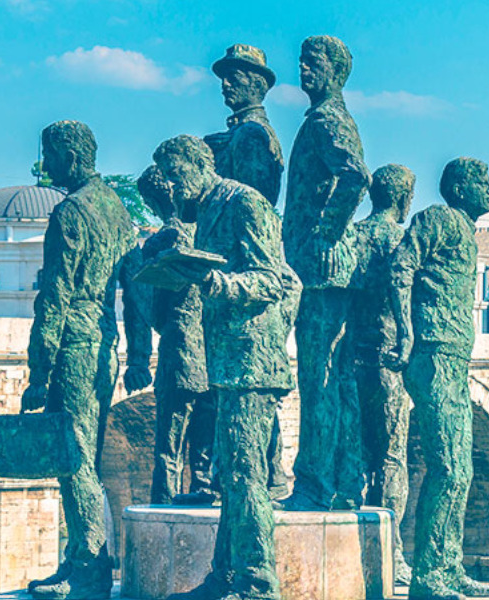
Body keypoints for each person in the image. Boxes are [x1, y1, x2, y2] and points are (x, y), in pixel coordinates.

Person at [156, 135, 301, 600]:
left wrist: (214, 283)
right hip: (226, 360)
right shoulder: (207, 212)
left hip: (252, 361)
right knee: (230, 474)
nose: (173, 188)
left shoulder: (245, 203)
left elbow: (273, 279)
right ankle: (224, 574)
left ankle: (258, 583)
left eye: (177, 176)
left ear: (201, 166)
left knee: (244, 473)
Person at [22, 121, 137, 600]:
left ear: (69, 156)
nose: (46, 166)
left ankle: (88, 562)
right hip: (106, 340)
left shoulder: (70, 213)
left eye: (49, 155)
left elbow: (56, 295)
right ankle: (82, 555)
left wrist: (37, 369)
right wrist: (140, 350)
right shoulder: (118, 209)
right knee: (84, 451)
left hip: (75, 342)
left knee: (75, 458)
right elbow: (135, 289)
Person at [385, 158, 489, 600]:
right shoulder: (440, 219)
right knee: (449, 467)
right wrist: (407, 332)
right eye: (483, 182)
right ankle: (431, 575)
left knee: (462, 470)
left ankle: (447, 567)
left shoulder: (464, 231)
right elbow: (401, 267)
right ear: (459, 187)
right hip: (433, 353)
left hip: (453, 358)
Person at [283, 35, 372, 511]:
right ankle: (342, 480)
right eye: (300, 60)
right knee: (333, 379)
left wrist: (324, 232)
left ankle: (314, 484)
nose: (302, 69)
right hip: (325, 269)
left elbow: (356, 175)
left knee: (318, 379)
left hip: (320, 270)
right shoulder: (323, 119)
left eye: (312, 62)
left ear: (335, 70)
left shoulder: (326, 121)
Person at [201, 43, 291, 503]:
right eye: (223, 76)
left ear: (259, 83)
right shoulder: (237, 135)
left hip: (245, 269)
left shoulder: (253, 136)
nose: (225, 84)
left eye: (235, 76)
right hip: (235, 272)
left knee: (250, 389)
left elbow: (254, 202)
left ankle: (269, 475)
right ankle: (260, 475)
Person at [349, 164, 415, 584]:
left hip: (350, 358)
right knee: (391, 458)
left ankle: (351, 545)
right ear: (405, 200)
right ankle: (390, 552)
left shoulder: (352, 236)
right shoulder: (401, 241)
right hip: (389, 360)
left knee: (354, 455)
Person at [137, 166, 218, 506]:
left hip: (180, 347)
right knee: (205, 431)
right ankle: (202, 489)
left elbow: (154, 307)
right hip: (213, 348)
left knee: (170, 434)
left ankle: (165, 496)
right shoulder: (211, 229)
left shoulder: (160, 241)